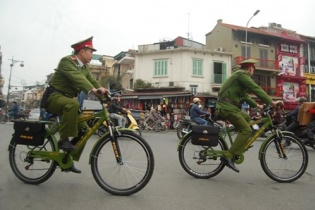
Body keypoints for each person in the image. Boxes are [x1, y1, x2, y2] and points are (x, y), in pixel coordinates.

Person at [45, 36, 108, 173]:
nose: (92, 55)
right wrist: (92, 90)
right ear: (82, 51)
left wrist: (105, 94)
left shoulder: (84, 68)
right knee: (73, 104)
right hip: (54, 97)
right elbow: (78, 78)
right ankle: (63, 140)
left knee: (85, 130)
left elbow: (92, 81)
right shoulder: (67, 61)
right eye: (91, 51)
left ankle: (67, 160)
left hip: (68, 100)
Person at [216, 59, 283, 173]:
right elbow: (255, 88)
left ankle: (240, 144)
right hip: (226, 107)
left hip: (229, 107)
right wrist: (272, 102)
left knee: (247, 118)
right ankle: (228, 155)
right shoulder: (242, 74)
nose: (253, 73)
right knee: (246, 130)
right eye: (253, 70)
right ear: (251, 68)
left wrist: (258, 106)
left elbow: (244, 95)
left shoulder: (239, 76)